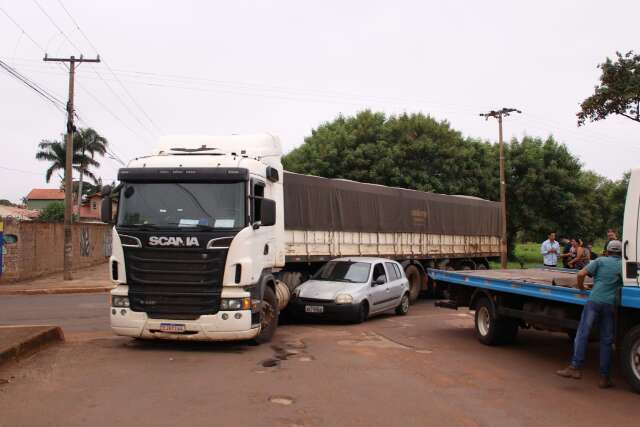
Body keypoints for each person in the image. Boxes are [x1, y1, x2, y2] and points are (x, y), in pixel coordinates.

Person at [556, 240, 623, 388]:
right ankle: (605, 378)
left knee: (583, 333)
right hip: (611, 305)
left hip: (594, 301)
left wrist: (582, 287)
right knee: (606, 340)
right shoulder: (623, 266)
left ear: (607, 251)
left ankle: (575, 367)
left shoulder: (600, 260)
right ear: (621, 253)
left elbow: (581, 273)